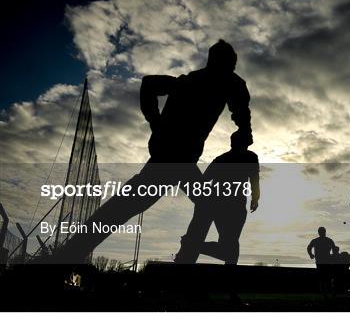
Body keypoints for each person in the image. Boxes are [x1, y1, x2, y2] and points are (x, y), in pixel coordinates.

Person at [50, 39, 253, 263]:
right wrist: (155, 122)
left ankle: (67, 255)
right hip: (172, 158)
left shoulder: (208, 82)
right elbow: (149, 84)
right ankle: (66, 257)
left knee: (201, 203)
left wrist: (245, 128)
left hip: (178, 158)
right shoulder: (194, 82)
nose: (232, 71)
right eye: (230, 66)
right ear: (219, 64)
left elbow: (240, 107)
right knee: (197, 203)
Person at [175, 132, 260, 264]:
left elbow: (203, 181)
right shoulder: (249, 157)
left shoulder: (222, 159)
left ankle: (192, 245)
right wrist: (255, 198)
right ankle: (192, 245)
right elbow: (254, 179)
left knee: (230, 247)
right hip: (230, 206)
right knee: (231, 247)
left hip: (220, 204)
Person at [307, 227, 339, 295]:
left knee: (325, 276)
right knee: (325, 276)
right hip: (322, 260)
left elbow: (309, 247)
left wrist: (311, 254)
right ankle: (326, 291)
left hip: (324, 260)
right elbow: (309, 247)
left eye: (322, 231)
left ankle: (326, 291)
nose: (322, 233)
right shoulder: (327, 240)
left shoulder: (320, 240)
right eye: (322, 231)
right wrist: (310, 254)